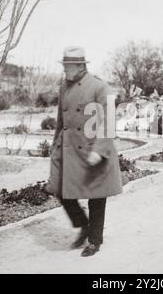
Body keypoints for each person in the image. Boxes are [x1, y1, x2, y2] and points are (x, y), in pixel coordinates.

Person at [46, 46, 122, 256]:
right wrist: (55, 146)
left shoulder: (99, 87)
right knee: (60, 190)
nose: (65, 70)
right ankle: (83, 224)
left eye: (68, 66)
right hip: (69, 149)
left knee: (96, 196)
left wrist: (99, 150)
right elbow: (61, 121)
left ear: (80, 66)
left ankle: (94, 240)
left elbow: (109, 121)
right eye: (64, 66)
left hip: (93, 149)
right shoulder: (64, 87)